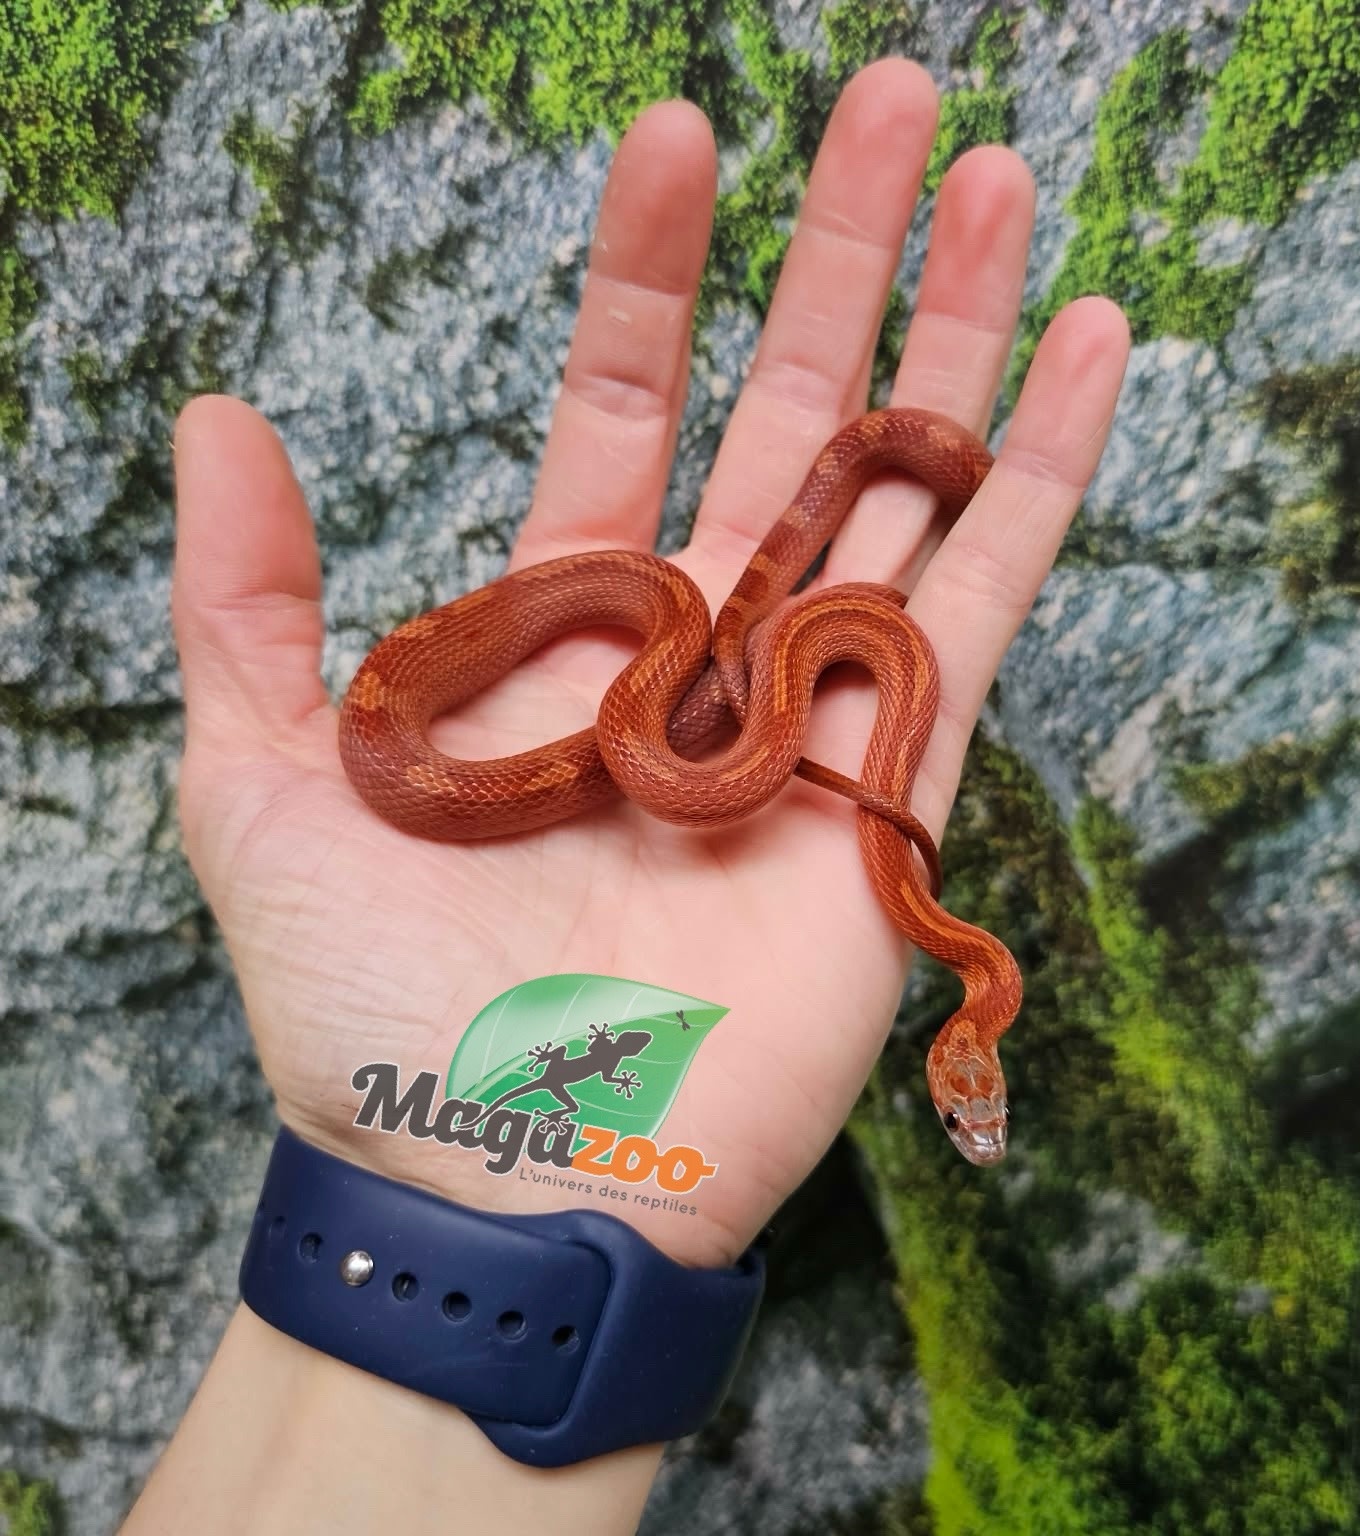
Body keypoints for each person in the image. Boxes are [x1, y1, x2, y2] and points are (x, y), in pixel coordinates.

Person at [121, 57, 1130, 1536]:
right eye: (973, 1111)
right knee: (687, 639)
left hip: (761, 669)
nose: (970, 1122)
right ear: (970, 1048)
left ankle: (854, 514)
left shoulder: (943, 912)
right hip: (702, 658)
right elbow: (688, 722)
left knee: (745, 638)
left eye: (966, 1119)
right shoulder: (828, 803)